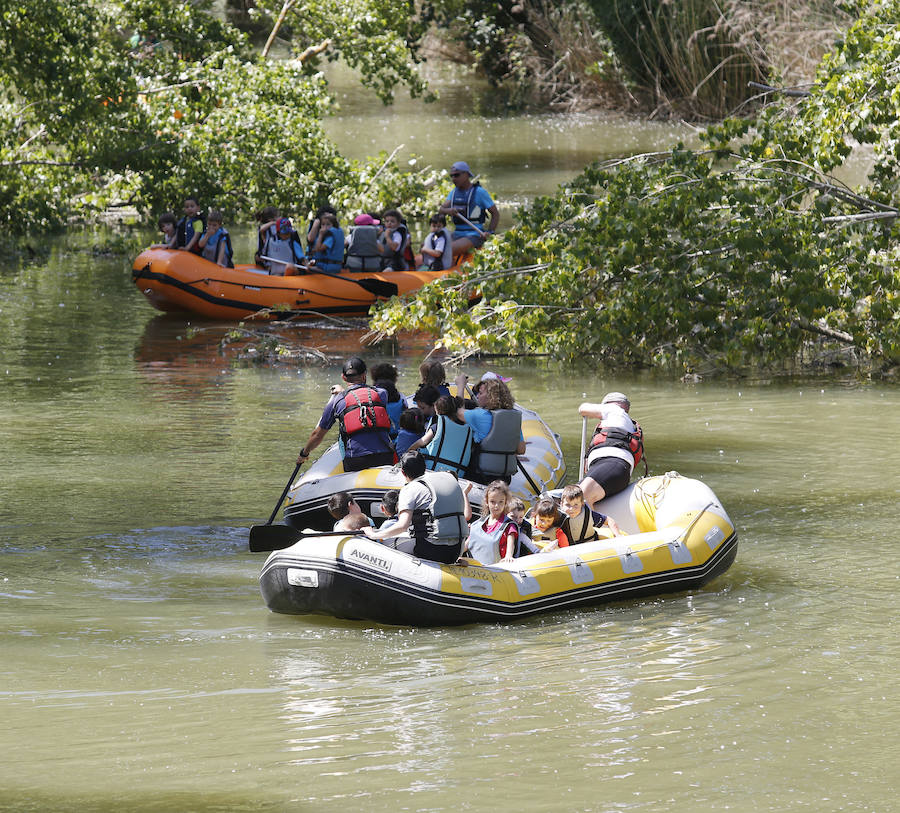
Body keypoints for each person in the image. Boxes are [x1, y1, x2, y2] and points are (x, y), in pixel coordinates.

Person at [363, 451, 472, 564]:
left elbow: (402, 526)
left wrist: (374, 534)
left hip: (433, 551)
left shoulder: (410, 488)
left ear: (403, 472)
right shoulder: (446, 479)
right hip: (457, 550)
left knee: (385, 543)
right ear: (424, 467)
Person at [296, 356, 396, 472]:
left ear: (343, 377)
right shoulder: (382, 393)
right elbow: (360, 398)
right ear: (364, 375)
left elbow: (317, 435)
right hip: (385, 457)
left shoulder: (337, 400)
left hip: (356, 461)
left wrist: (304, 453)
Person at [578, 391, 645, 508]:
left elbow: (582, 408)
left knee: (577, 498)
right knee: (565, 497)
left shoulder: (614, 410)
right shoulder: (626, 424)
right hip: (611, 471)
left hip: (612, 464)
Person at [438, 160, 500, 255]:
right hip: (457, 233)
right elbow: (441, 210)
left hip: (475, 235)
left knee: (447, 249)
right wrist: (449, 211)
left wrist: (490, 232)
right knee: (431, 245)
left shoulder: (479, 192)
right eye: (452, 176)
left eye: (457, 175)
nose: (454, 179)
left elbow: (495, 214)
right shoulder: (454, 192)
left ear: (466, 174)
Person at [407, 394, 474, 477]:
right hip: (457, 475)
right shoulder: (467, 429)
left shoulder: (438, 425)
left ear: (437, 410)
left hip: (434, 471)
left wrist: (408, 452)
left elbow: (422, 441)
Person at [461, 480, 518, 565]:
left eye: (501, 502)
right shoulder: (478, 524)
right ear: (487, 502)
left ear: (505, 502)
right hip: (473, 569)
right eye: (493, 502)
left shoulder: (509, 526)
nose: (496, 506)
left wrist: (508, 556)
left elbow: (511, 543)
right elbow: (469, 542)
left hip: (494, 571)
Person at [370, 362, 405, 436]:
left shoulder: (369, 398)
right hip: (396, 436)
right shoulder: (401, 398)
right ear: (394, 378)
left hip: (377, 436)